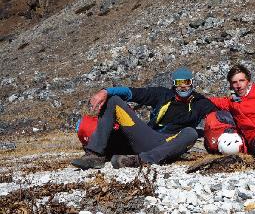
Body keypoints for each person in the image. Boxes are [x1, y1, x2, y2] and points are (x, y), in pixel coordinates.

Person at [71, 67, 217, 170]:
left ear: (192, 83)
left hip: (168, 143)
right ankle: (95, 155)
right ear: (174, 84)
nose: (183, 87)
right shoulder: (162, 94)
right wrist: (106, 91)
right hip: (148, 137)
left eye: (187, 82)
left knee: (191, 132)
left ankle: (138, 160)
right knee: (114, 100)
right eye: (179, 83)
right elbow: (132, 93)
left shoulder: (201, 103)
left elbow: (219, 118)